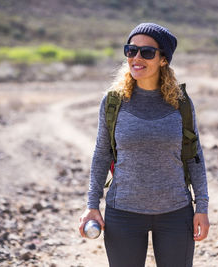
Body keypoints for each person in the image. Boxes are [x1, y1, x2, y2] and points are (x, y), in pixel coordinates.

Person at [79, 22, 210, 267]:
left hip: (176, 213)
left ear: (163, 60)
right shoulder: (113, 102)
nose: (136, 57)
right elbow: (101, 155)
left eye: (147, 52)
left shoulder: (181, 104)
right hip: (123, 213)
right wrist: (91, 205)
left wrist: (201, 207)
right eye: (131, 50)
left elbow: (194, 156)